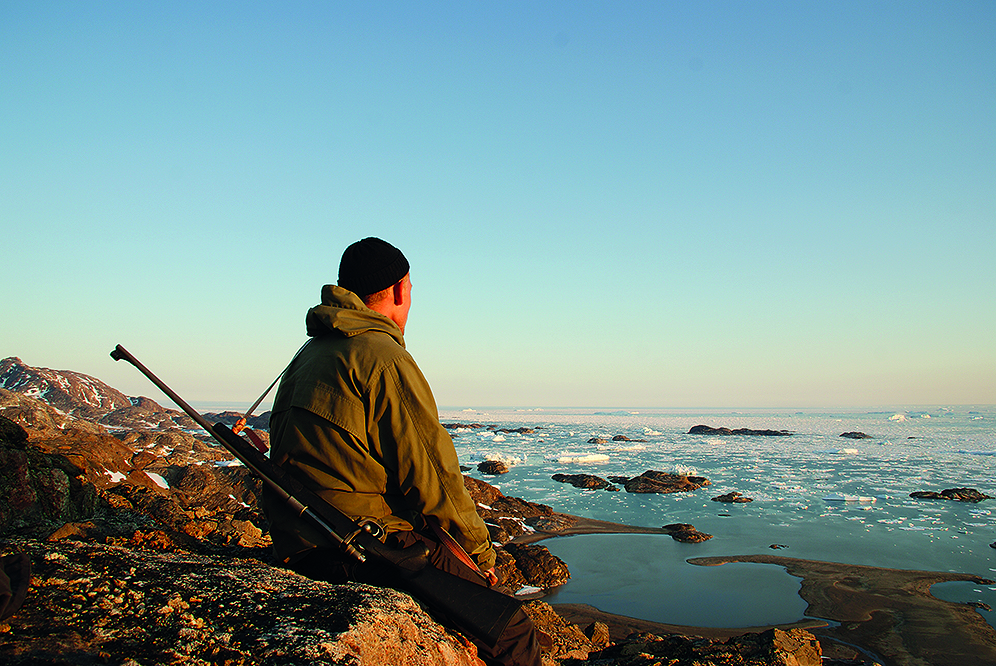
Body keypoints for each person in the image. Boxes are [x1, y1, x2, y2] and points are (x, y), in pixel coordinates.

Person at [261, 237, 541, 666]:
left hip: (299, 541)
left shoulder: (309, 355)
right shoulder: (381, 357)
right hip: (362, 546)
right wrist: (480, 556)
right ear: (399, 290)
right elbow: (433, 476)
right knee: (511, 629)